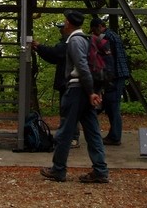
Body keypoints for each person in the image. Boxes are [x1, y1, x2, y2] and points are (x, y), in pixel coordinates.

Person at [40, 10, 109, 184]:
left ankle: (58, 169)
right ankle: (100, 170)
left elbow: (82, 67)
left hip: (77, 90)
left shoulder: (74, 41)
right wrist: (92, 91)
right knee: (93, 131)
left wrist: (91, 91)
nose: (63, 24)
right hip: (86, 90)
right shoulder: (86, 40)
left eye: (64, 21)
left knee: (65, 131)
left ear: (69, 23)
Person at [32, 23, 80, 148]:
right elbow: (54, 57)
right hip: (67, 82)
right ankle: (69, 137)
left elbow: (56, 53)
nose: (60, 30)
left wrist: (39, 47)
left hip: (69, 82)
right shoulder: (69, 41)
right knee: (68, 111)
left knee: (69, 112)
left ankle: (72, 138)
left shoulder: (69, 42)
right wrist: (39, 49)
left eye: (62, 28)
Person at [89, 17, 129, 146]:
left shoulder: (107, 38)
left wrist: (107, 78)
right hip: (118, 74)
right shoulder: (113, 35)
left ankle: (115, 136)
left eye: (94, 30)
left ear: (100, 26)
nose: (94, 33)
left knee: (113, 106)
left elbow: (109, 59)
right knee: (111, 104)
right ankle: (114, 135)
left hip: (115, 76)